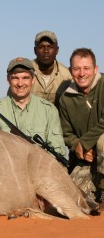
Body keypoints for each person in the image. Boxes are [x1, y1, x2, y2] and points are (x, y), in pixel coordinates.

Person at [0, 57, 66, 156]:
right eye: (15, 78)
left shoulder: (49, 110)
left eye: (25, 78)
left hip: (41, 168)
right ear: (8, 80)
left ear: (33, 80)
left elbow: (58, 151)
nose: (20, 83)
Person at [59, 48, 104, 202]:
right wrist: (79, 148)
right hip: (86, 159)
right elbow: (67, 133)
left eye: (86, 68)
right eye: (77, 69)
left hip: (101, 151)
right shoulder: (65, 99)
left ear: (95, 69)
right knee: (71, 197)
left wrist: (85, 143)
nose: (82, 73)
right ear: (71, 71)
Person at [31, 30, 72, 107]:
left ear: (57, 50)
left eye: (50, 47)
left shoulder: (67, 75)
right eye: (41, 47)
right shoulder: (26, 71)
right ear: (35, 50)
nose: (46, 51)